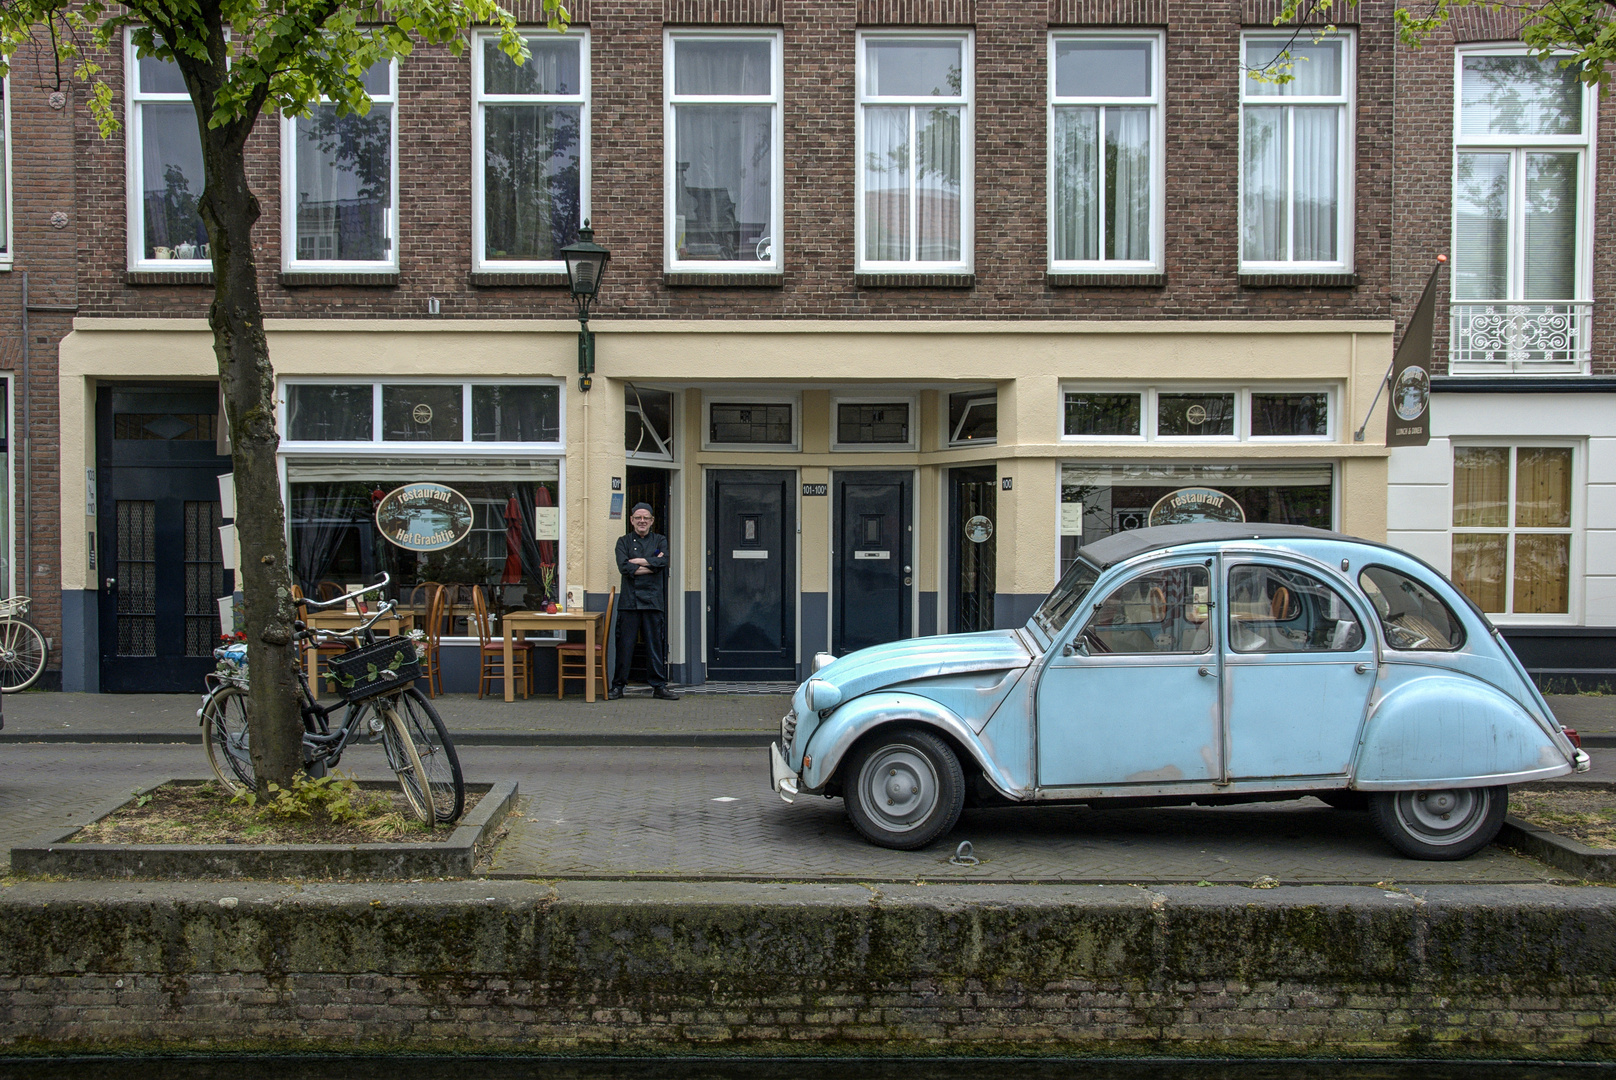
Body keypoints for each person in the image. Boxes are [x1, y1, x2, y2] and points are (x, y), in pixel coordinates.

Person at [610, 503, 678, 700]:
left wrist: (637, 561)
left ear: (652, 521)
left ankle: (659, 686)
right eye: (638, 518)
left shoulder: (660, 540)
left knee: (654, 645)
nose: (642, 521)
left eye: (646, 518)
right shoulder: (622, 541)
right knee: (625, 646)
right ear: (631, 520)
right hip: (629, 602)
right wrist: (651, 563)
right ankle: (618, 686)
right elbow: (624, 567)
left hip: (653, 600)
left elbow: (663, 562)